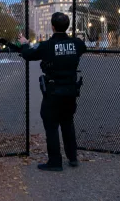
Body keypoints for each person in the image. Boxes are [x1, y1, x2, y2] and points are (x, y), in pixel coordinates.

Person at [18, 12, 87, 171]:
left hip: (53, 91)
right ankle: (72, 157)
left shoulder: (47, 46)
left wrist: (24, 43)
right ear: (67, 26)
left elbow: (28, 55)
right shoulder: (76, 44)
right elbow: (82, 47)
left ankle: (55, 162)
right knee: (67, 123)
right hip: (70, 91)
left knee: (51, 125)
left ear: (53, 26)